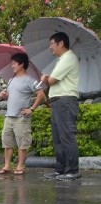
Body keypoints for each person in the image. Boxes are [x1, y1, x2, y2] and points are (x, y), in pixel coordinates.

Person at [40, 32, 81, 181]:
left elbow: (52, 80)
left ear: (61, 43)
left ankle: (72, 170)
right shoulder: (62, 60)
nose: (50, 47)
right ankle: (61, 169)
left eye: (52, 44)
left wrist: (45, 78)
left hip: (65, 100)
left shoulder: (69, 57)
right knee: (58, 138)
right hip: (58, 101)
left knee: (67, 136)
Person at [0, 53, 46, 175]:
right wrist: (4, 95)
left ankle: (20, 166)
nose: (12, 65)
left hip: (21, 118)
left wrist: (32, 109)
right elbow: (12, 96)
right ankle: (7, 166)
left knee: (22, 143)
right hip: (9, 116)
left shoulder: (30, 80)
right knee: (7, 142)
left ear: (21, 64)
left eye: (14, 63)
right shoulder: (11, 80)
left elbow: (41, 95)